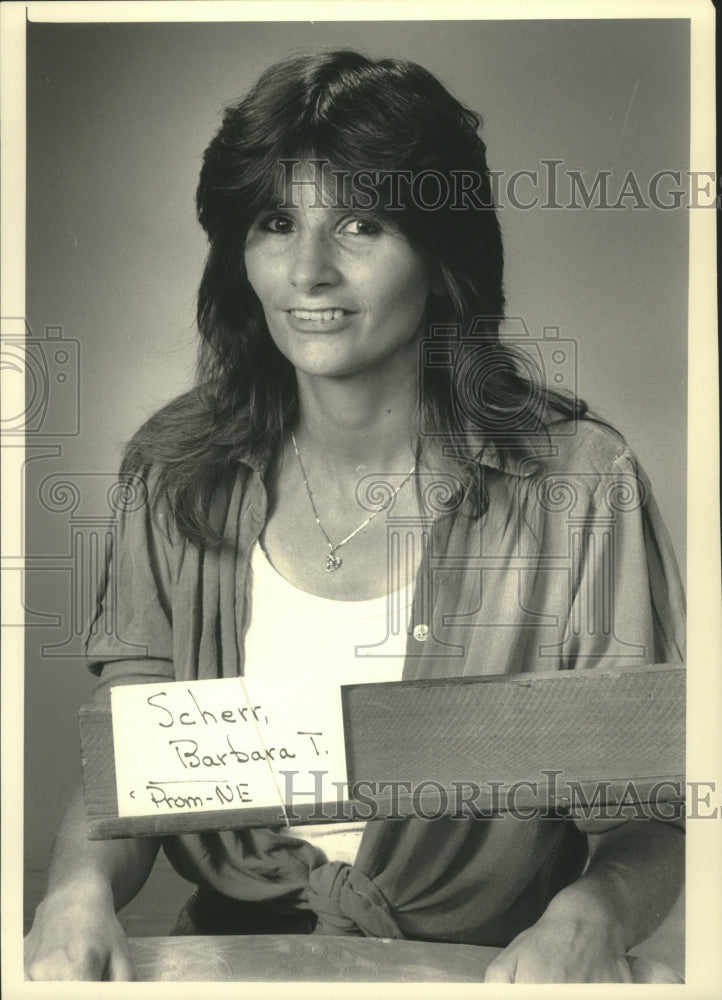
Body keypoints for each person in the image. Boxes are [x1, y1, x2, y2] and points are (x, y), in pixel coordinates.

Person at [24, 50, 685, 982]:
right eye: (276, 221)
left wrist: (593, 913)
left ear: (441, 250)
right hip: (236, 965)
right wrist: (75, 890)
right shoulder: (173, 470)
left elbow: (647, 816)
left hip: (491, 973)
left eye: (361, 224)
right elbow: (129, 762)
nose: (308, 271)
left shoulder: (581, 483)